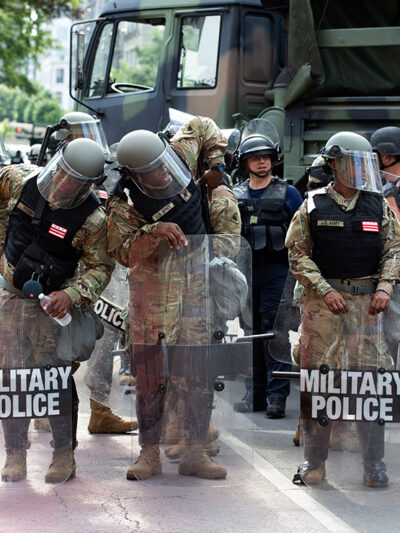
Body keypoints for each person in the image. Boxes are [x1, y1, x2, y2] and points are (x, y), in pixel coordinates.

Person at [106, 116, 241, 481]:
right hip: (153, 296)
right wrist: (153, 230)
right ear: (134, 175)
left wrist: (216, 165)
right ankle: (148, 454)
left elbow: (204, 124)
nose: (163, 174)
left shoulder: (179, 153)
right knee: (151, 377)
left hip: (197, 288)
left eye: (163, 165)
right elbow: (120, 250)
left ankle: (195, 452)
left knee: (197, 373)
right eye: (152, 172)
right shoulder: (124, 204)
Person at [286, 131, 400, 487]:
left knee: (371, 385)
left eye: (363, 163)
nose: (359, 170)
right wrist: (323, 289)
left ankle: (373, 464)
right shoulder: (312, 205)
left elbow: (394, 249)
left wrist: (385, 286)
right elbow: (297, 254)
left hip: (368, 309)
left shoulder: (377, 204)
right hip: (324, 310)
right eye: (351, 162)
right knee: (319, 384)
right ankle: (314, 463)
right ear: (334, 164)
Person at [0, 137, 115, 483]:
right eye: (62, 173)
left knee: (55, 378)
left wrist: (72, 294)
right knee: (11, 379)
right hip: (9, 298)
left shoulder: (93, 219)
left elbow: (101, 268)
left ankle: (64, 455)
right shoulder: (18, 179)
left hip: (51, 307)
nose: (64, 183)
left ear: (88, 184)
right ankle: (15, 454)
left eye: (75, 180)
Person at [233, 119, 303, 417]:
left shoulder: (289, 194)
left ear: (273, 160)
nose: (261, 162)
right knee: (250, 332)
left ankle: (277, 396)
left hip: (277, 273)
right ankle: (254, 393)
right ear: (246, 162)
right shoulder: (235, 195)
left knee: (275, 333)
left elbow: (302, 236)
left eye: (265, 157)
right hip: (246, 274)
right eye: (255, 157)